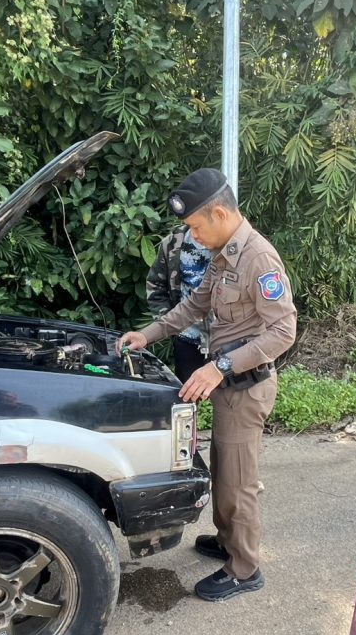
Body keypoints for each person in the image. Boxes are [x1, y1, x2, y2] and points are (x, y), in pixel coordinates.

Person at [116, 168, 297, 602]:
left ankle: (244, 568)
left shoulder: (259, 259)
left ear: (219, 214)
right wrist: (148, 334)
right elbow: (193, 305)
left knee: (238, 482)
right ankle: (227, 539)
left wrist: (220, 366)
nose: (192, 236)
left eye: (196, 226)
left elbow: (283, 331)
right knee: (222, 469)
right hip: (230, 386)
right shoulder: (223, 255)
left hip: (246, 386)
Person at [146, 224, 212, 382]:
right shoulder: (174, 242)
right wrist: (170, 324)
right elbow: (155, 285)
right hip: (186, 340)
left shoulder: (231, 244)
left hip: (225, 343)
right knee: (187, 393)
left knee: (228, 395)